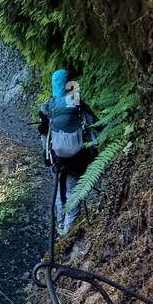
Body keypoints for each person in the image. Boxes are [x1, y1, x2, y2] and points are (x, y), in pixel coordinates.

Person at [37, 68, 98, 234]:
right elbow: (94, 122)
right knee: (73, 191)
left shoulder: (47, 107)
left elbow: (43, 132)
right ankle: (68, 230)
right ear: (68, 83)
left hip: (57, 157)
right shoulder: (76, 101)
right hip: (77, 156)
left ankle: (60, 227)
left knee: (59, 191)